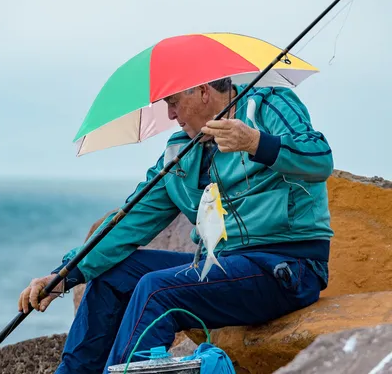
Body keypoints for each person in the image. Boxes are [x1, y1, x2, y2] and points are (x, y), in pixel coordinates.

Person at [18, 78, 334, 373]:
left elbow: (319, 160)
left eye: (173, 102)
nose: (170, 114)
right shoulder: (180, 151)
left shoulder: (268, 105)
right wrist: (65, 274)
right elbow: (131, 219)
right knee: (114, 272)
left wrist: (255, 142)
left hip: (286, 265)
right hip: (223, 264)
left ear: (203, 91)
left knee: (157, 290)